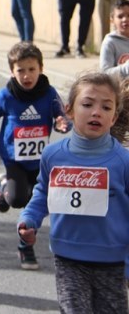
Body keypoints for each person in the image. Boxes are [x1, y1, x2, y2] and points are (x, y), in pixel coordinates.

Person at [18, 72, 129, 309]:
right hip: (68, 257)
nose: (96, 112)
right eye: (87, 105)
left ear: (114, 117)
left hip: (113, 261)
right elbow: (43, 192)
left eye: (106, 107)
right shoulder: (53, 155)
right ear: (69, 111)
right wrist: (29, 219)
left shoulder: (123, 162)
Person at [0, 42, 69, 270]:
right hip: (14, 159)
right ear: (12, 72)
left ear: (41, 69)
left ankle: (25, 247)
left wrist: (63, 123)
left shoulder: (49, 94)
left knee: (37, 204)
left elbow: (62, 116)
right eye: (21, 70)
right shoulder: (7, 95)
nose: (26, 76)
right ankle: (3, 185)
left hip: (40, 161)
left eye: (31, 69)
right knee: (17, 200)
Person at [100, 0, 129, 78]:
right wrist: (126, 68)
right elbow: (105, 73)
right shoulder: (110, 42)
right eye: (120, 16)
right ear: (112, 20)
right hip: (121, 85)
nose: (125, 19)